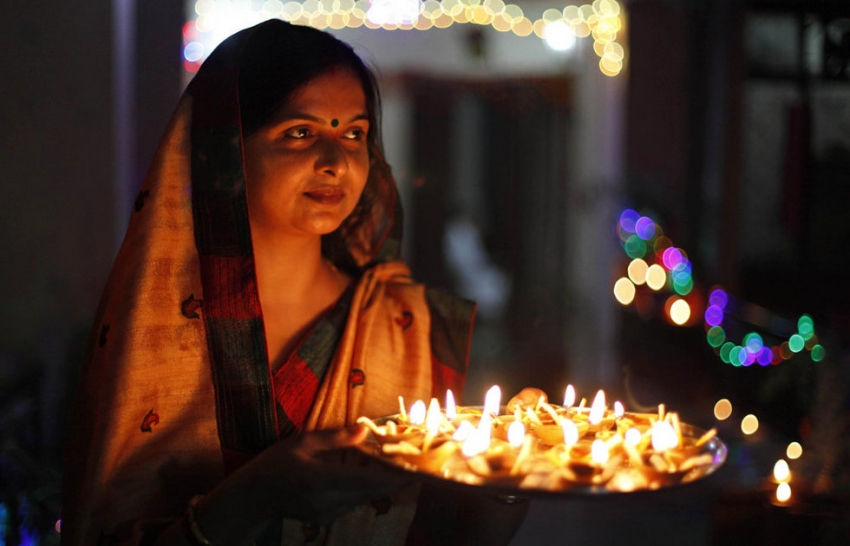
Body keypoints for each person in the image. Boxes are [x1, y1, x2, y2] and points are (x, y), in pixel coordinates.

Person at [61, 19, 526, 545]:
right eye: (300, 132)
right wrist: (253, 496)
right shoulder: (153, 336)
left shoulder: (406, 326)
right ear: (227, 150)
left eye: (354, 134)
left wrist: (510, 475)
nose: (336, 162)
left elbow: (455, 532)